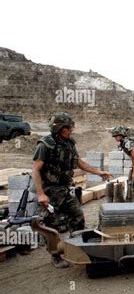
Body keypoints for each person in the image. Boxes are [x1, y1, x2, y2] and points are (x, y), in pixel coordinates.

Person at [31, 112, 111, 268]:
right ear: (58, 128)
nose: (71, 130)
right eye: (68, 128)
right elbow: (35, 170)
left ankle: (76, 246)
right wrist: (41, 194)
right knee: (52, 224)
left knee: (78, 217)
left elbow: (79, 162)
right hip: (49, 191)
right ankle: (55, 255)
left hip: (65, 189)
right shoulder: (45, 145)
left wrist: (98, 172)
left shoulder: (69, 143)